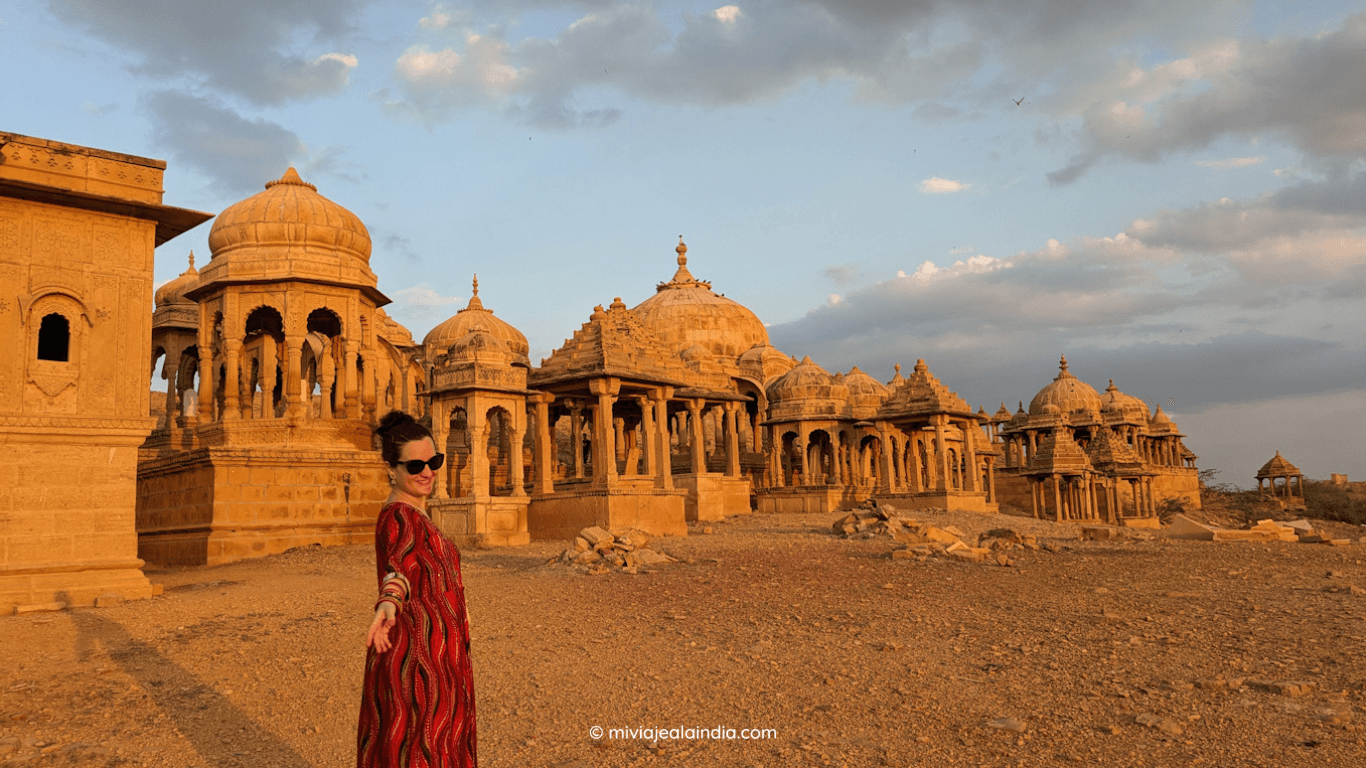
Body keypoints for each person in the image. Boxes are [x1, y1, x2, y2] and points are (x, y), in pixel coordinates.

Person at [358, 411, 477, 767]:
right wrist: (388, 605)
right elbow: (399, 566)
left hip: (442, 657)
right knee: (420, 746)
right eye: (415, 466)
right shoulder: (399, 517)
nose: (428, 472)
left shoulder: (416, 512)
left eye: (434, 461)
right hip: (419, 661)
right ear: (391, 470)